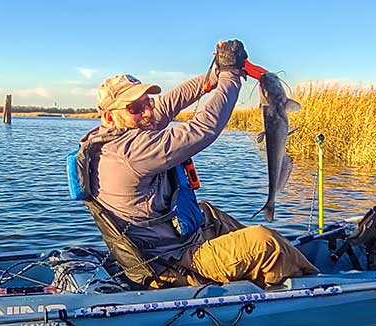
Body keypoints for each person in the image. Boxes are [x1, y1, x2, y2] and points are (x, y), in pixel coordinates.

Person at [79, 40, 318, 290]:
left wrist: (216, 72)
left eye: (148, 102)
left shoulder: (113, 135)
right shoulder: (132, 152)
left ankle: (270, 270)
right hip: (174, 263)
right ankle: (315, 287)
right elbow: (202, 128)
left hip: (177, 240)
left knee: (209, 213)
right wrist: (231, 76)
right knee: (265, 243)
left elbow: (170, 103)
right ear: (109, 116)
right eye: (136, 107)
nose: (148, 111)